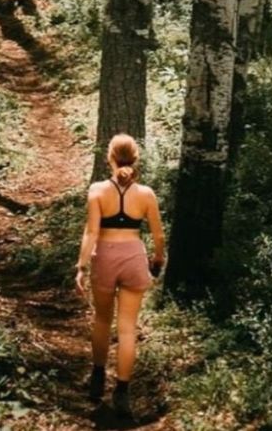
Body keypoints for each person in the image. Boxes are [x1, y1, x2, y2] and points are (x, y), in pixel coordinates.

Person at [74, 133, 166, 416]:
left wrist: (81, 266)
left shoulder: (98, 190)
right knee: (127, 329)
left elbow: (91, 232)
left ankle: (98, 376)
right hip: (133, 257)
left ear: (109, 158)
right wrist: (158, 259)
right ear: (135, 158)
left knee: (102, 320)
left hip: (105, 257)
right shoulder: (146, 194)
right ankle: (123, 392)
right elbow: (158, 235)